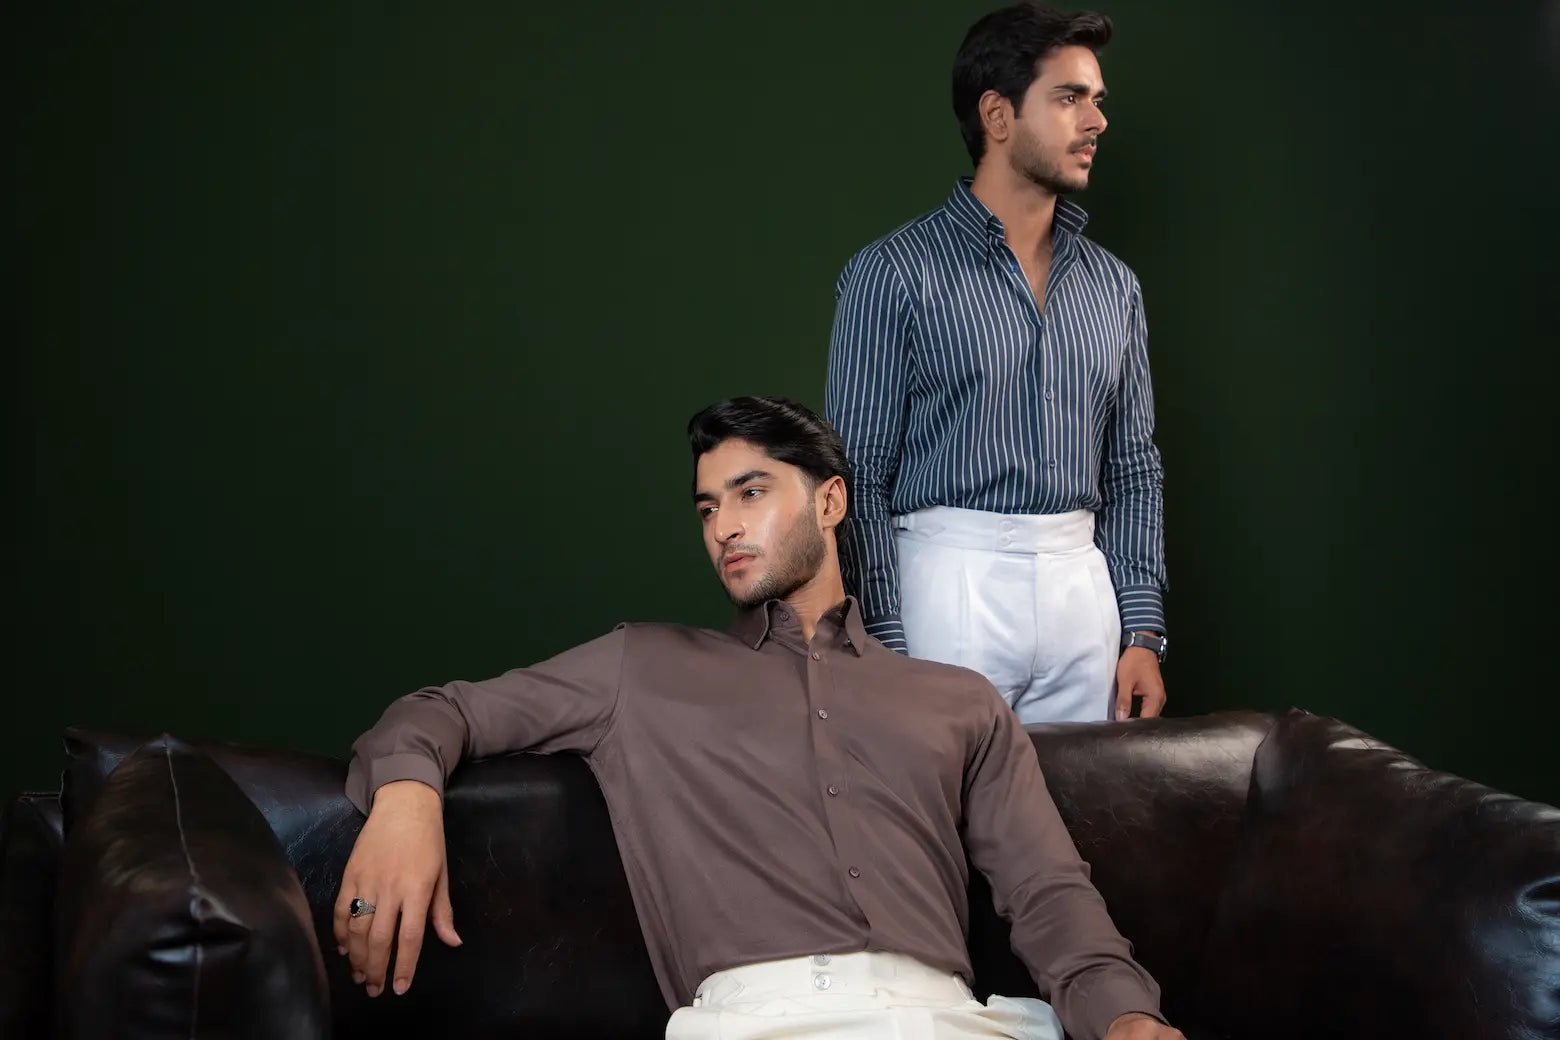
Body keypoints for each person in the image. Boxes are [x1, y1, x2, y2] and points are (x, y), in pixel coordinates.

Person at [333, 396, 1184, 1040]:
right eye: (709, 508)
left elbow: (1047, 891)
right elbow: (440, 712)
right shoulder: (641, 668)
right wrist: (406, 801)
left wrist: (1127, 1019)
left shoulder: (959, 701)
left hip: (945, 1020)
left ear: (830, 503)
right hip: (751, 1022)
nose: (726, 528)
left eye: (751, 493)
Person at [825, 3, 1169, 725]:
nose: (1097, 120)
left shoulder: (1115, 287)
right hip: (945, 586)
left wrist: (1141, 632)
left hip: (1084, 590)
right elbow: (858, 474)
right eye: (1069, 98)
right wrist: (883, 638)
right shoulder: (893, 273)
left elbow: (1133, 467)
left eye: (1097, 99)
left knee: (1089, 798)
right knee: (945, 799)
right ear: (997, 115)